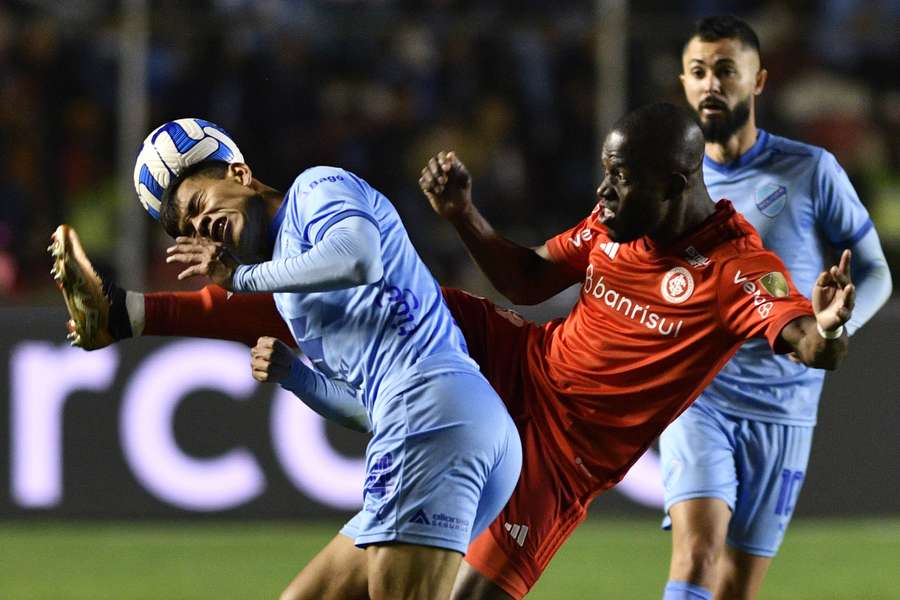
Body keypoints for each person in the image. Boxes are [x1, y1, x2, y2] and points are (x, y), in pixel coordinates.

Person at [52, 102, 856, 600]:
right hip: (510, 361)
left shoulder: (734, 267)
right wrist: (466, 218)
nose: (603, 195)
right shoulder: (620, 226)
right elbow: (530, 280)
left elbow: (800, 340)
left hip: (559, 455)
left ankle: (121, 315)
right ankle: (121, 315)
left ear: (679, 180)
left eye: (618, 180)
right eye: (604, 178)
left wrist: (825, 327)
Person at [55, 119, 523, 600]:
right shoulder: (288, 284)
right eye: (189, 228)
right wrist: (298, 378)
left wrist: (241, 279)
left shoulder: (314, 189)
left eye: (199, 205)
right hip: (457, 420)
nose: (202, 227)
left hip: (430, 415)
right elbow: (370, 409)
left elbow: (359, 255)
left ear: (238, 174)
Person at [658, 16, 892, 600]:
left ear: (758, 81)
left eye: (725, 71)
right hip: (698, 396)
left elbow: (877, 271)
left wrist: (830, 332)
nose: (711, 83)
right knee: (697, 556)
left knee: (736, 586)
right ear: (684, 84)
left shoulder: (810, 170)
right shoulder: (666, 183)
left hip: (785, 406)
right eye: (698, 72)